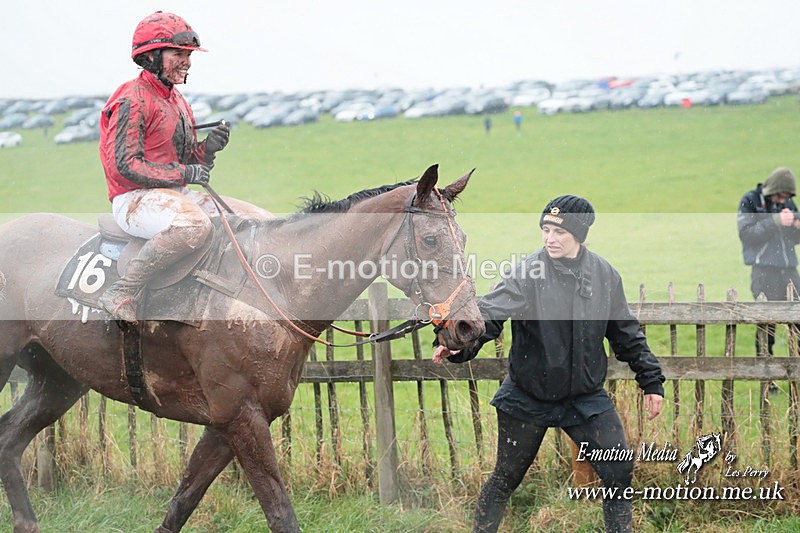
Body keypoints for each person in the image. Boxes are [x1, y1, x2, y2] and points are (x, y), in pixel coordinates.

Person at [434, 195, 665, 533]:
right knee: (505, 479)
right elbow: (490, 318)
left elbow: (626, 333)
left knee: (618, 471)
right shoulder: (526, 274)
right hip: (528, 396)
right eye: (545, 229)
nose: (549, 238)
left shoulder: (604, 275)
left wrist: (651, 381)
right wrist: (458, 346)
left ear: (580, 234)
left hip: (584, 397)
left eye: (559, 231)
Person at [98, 11, 268, 322]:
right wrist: (186, 173)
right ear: (151, 55)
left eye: (188, 55)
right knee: (194, 226)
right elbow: (123, 165)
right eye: (178, 53)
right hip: (134, 200)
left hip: (174, 196)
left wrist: (207, 150)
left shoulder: (177, 100)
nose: (187, 61)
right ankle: (123, 289)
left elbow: (187, 164)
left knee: (258, 220)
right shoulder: (131, 98)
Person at [737, 167, 800, 363]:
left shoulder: (788, 202)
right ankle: (766, 372)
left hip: (789, 269)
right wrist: (775, 221)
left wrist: (797, 225)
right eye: (781, 196)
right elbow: (746, 234)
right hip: (763, 271)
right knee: (767, 323)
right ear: (772, 189)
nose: (784, 201)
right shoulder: (750, 200)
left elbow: (795, 239)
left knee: (798, 320)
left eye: (787, 197)